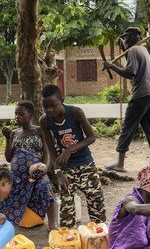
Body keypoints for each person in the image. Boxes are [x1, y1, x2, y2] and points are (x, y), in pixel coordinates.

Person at [39, 84, 106, 228]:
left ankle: (98, 235)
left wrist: (69, 150)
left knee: (96, 201)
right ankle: (69, 241)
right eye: (45, 107)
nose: (50, 110)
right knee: (66, 210)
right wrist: (58, 172)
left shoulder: (75, 112)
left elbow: (91, 137)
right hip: (65, 168)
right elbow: (51, 149)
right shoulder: (44, 120)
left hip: (85, 163)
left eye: (53, 106)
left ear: (62, 100)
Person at [101, 27, 150, 171]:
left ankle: (120, 164)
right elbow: (132, 64)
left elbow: (130, 72)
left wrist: (112, 66)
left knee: (127, 127)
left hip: (141, 94)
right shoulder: (143, 50)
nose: (125, 41)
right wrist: (123, 48)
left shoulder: (133, 50)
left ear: (133, 38)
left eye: (126, 38)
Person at [0, 100, 56, 228]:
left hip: (35, 173)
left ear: (30, 115)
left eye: (21, 114)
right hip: (16, 175)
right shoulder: (14, 133)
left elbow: (47, 153)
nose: (17, 117)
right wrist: (7, 139)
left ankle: (53, 224)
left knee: (45, 186)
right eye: (16, 114)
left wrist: (44, 169)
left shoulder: (39, 131)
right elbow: (8, 158)